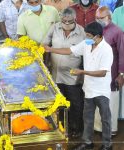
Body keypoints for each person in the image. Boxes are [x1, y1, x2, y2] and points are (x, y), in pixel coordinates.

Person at [44, 21, 113, 150]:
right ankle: (87, 143)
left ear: (97, 36)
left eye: (88, 36)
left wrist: (82, 72)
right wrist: (51, 49)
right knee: (87, 118)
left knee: (105, 119)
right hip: (88, 89)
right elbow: (69, 50)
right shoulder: (86, 44)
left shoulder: (106, 50)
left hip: (101, 90)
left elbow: (103, 73)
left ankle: (107, 144)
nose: (86, 38)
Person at [43, 8, 85, 138]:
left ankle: (76, 129)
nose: (66, 23)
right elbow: (44, 44)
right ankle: (61, 128)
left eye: (69, 21)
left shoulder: (82, 32)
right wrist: (45, 64)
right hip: (56, 75)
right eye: (64, 21)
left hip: (73, 76)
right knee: (59, 103)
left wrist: (83, 73)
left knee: (75, 104)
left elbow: (86, 54)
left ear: (75, 20)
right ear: (60, 19)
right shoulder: (54, 28)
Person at [95, 6, 124, 136]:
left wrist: (121, 74)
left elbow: (122, 54)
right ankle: (99, 128)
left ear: (109, 18)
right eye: (97, 18)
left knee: (111, 102)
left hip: (112, 74)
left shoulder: (117, 31)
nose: (99, 20)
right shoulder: (94, 30)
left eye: (101, 18)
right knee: (97, 101)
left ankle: (111, 129)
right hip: (96, 73)